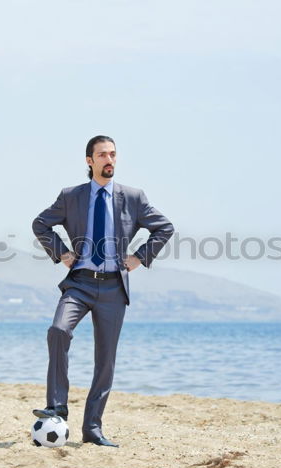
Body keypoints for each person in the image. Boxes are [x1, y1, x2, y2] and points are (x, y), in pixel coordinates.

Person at [32, 135, 174, 447]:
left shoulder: (133, 197)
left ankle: (92, 430)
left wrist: (140, 257)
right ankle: (57, 406)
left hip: (113, 288)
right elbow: (41, 224)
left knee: (105, 360)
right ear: (89, 161)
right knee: (58, 330)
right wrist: (62, 253)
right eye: (102, 155)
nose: (109, 160)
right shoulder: (71, 196)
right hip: (79, 282)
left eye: (112, 154)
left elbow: (165, 227)